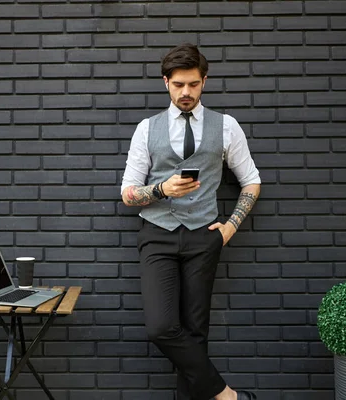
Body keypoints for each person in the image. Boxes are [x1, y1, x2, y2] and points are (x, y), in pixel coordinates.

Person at [121, 43, 261, 400]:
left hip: (204, 236)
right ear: (165, 82)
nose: (186, 92)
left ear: (204, 82)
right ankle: (226, 396)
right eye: (179, 84)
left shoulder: (226, 126)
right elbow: (128, 193)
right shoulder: (146, 129)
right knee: (161, 327)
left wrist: (230, 227)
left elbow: (251, 181)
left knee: (196, 331)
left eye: (194, 84)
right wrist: (162, 188)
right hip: (157, 235)